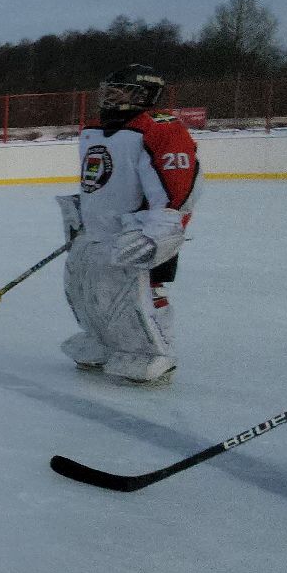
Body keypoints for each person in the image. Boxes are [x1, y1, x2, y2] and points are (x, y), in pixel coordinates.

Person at [57, 65, 200, 384]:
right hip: (97, 231)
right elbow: (98, 181)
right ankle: (104, 342)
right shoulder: (93, 128)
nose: (109, 96)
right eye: (108, 89)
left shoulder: (161, 129)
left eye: (118, 89)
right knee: (89, 289)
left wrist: (160, 233)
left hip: (139, 232)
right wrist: (81, 218)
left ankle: (155, 353)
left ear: (144, 94)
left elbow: (177, 189)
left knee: (141, 290)